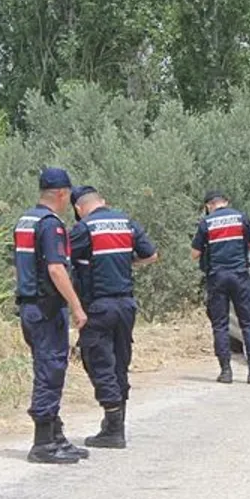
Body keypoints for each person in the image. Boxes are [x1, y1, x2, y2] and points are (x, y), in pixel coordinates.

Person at [68, 186, 158, 449]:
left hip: (99, 306)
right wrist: (126, 264)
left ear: (78, 208)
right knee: (120, 362)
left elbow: (62, 259)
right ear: (103, 202)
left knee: (98, 362)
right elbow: (151, 255)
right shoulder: (126, 222)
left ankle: (113, 428)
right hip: (126, 305)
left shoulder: (85, 228)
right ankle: (115, 424)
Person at [13, 167, 87, 465]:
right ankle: (43, 442)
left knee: (48, 366)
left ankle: (55, 435)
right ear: (62, 193)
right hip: (46, 308)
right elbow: (56, 269)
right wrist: (77, 307)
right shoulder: (50, 225)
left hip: (30, 305)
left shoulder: (25, 220)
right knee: (50, 369)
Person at [192, 190, 250, 385]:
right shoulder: (241, 217)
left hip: (217, 277)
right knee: (248, 323)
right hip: (240, 275)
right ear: (226, 202)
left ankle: (226, 371)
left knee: (220, 325)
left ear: (208, 206)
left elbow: (194, 253)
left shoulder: (206, 223)